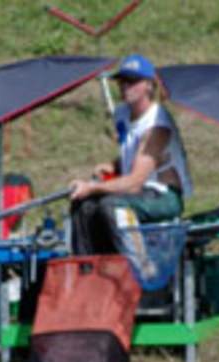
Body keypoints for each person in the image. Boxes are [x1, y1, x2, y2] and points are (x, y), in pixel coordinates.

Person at [68, 53, 192, 258]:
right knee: (84, 206)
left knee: (111, 206)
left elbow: (135, 181)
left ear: (149, 86)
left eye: (133, 81)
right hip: (139, 192)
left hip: (163, 196)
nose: (125, 86)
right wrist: (113, 165)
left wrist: (92, 187)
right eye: (122, 81)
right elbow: (134, 154)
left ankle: (139, 266)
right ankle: (89, 268)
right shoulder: (122, 114)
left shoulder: (156, 125)